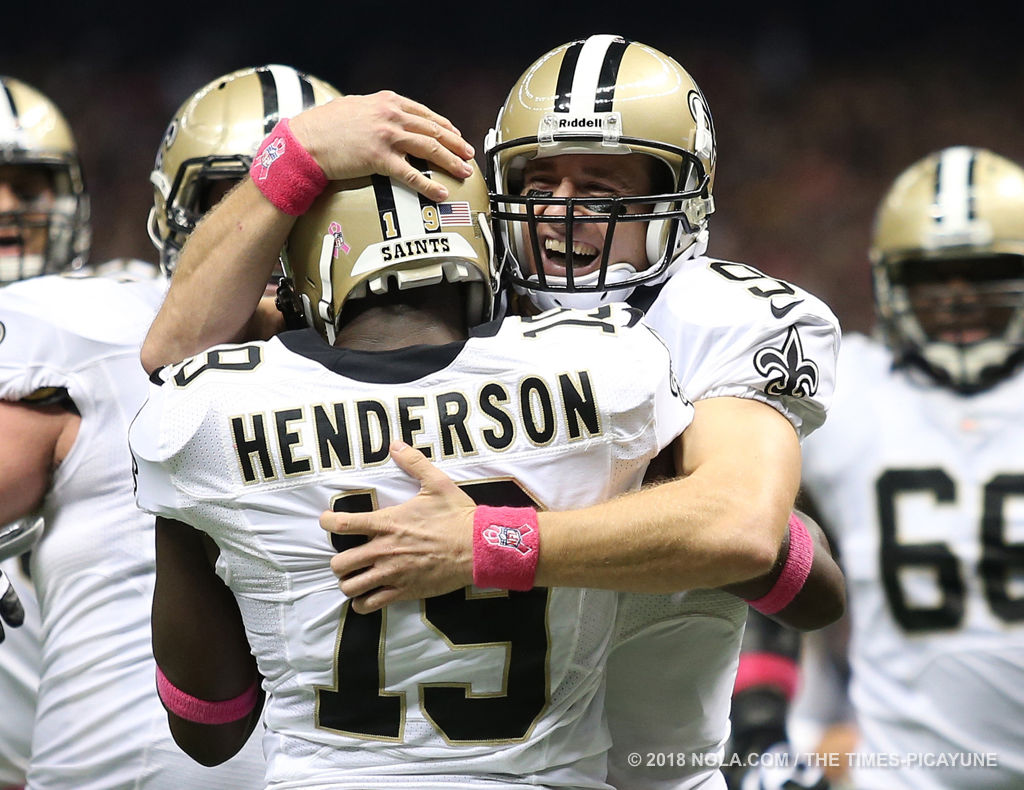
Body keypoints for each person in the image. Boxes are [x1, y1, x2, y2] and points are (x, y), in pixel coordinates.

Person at [136, 36, 845, 790]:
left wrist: (490, 541)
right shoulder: (461, 301)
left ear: (682, 196)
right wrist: (294, 154)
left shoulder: (718, 315)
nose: (563, 213)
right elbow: (173, 354)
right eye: (540, 184)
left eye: (602, 189)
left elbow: (742, 527)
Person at [129, 159, 696, 788]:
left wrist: (189, 514)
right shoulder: (608, 365)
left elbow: (210, 728)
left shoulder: (205, 414)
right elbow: (738, 537)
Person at [0, 65, 338, 789]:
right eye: (241, 202)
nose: (275, 232)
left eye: (307, 205)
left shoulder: (426, 357)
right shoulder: (95, 329)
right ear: (178, 217)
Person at [798, 145, 1024, 790]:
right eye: (931, 275)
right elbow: (754, 556)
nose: (957, 297)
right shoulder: (845, 390)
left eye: (984, 270)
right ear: (889, 282)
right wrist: (763, 716)